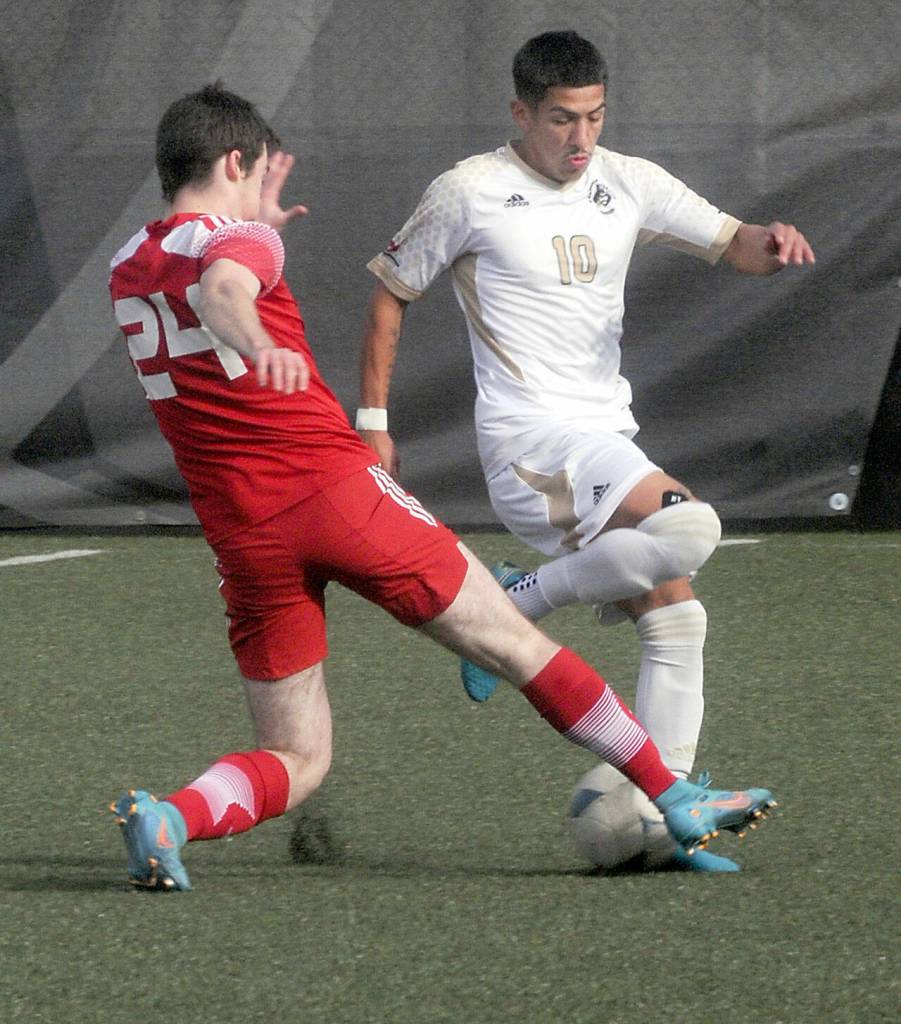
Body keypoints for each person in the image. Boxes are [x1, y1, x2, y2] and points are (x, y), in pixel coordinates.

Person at [107, 82, 775, 892]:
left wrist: (252, 238)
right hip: (335, 495)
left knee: (296, 755)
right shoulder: (243, 245)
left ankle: (172, 817)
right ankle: (672, 795)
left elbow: (201, 273)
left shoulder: (127, 264)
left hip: (243, 535)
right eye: (255, 177)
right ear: (235, 162)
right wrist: (256, 333)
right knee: (517, 645)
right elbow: (222, 290)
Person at [359, 31, 813, 868]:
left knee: (677, 615)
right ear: (520, 113)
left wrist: (773, 243)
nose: (581, 138)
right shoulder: (469, 190)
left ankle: (663, 815)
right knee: (691, 529)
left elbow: (734, 243)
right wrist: (372, 422)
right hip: (529, 446)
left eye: (595, 117)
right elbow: (391, 294)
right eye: (562, 119)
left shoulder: (626, 181)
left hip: (603, 440)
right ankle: (522, 599)